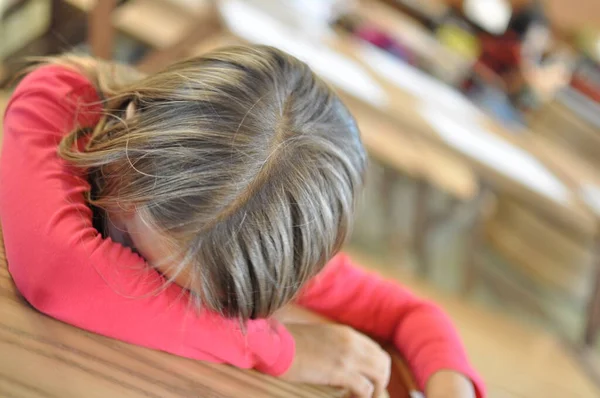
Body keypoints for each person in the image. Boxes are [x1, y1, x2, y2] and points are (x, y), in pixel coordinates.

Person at [0, 46, 484, 398]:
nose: (116, 259)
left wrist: (450, 387)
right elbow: (58, 272)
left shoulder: (256, 243)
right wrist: (283, 350)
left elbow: (409, 314)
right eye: (122, 235)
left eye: (181, 291)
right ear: (129, 141)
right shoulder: (66, 98)